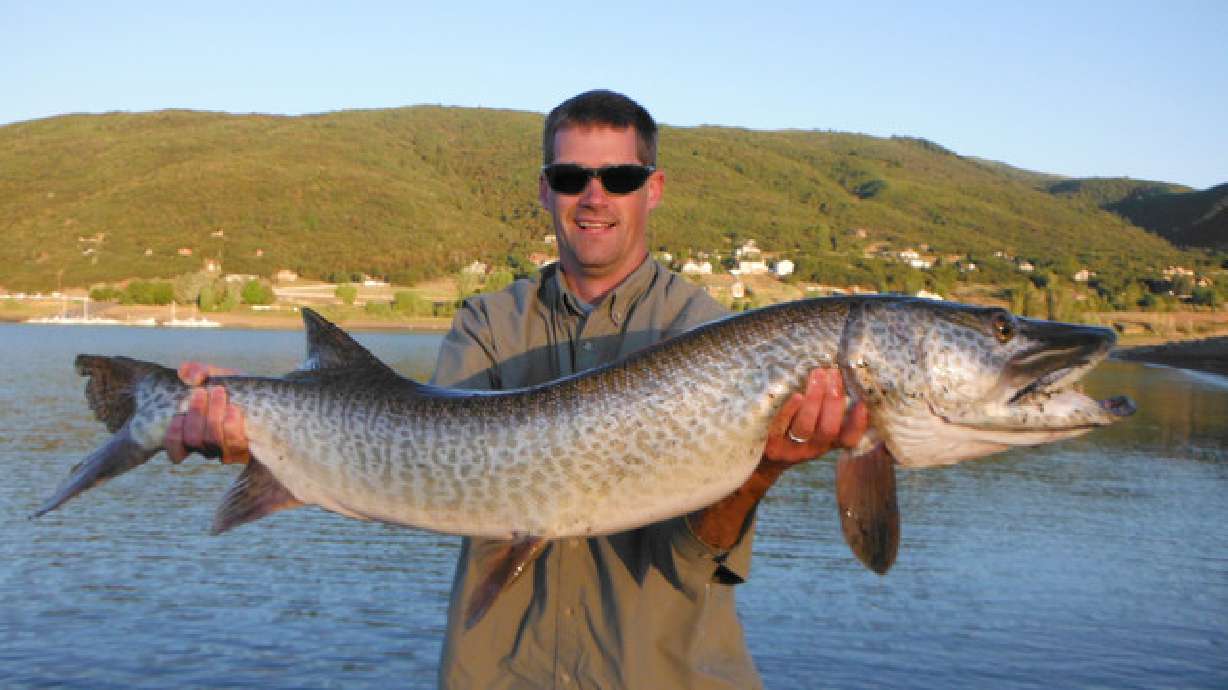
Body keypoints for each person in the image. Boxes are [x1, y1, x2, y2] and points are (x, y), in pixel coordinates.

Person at [167, 89, 867, 690]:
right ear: (544, 188)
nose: (594, 197)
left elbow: (696, 552)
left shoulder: (708, 333)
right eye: (571, 176)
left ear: (652, 189)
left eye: (620, 176)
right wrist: (251, 435)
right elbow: (419, 460)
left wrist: (764, 467)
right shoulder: (487, 322)